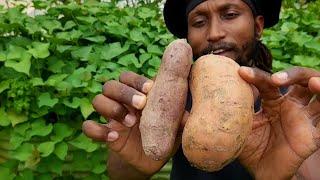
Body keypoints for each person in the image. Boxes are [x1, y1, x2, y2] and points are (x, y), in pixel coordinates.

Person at [82, 0, 320, 179]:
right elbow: (120, 175)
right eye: (198, 22)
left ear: (258, 26)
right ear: (188, 35)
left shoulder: (293, 107)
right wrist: (134, 157)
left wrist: (289, 168)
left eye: (230, 14)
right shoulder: (171, 104)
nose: (214, 33)